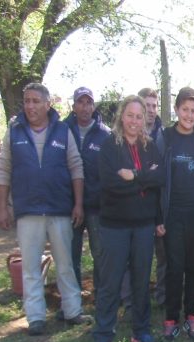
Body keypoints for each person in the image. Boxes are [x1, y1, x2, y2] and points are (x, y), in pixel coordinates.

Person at [0, 82, 89, 335]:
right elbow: (3, 169)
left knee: (66, 263)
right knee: (31, 267)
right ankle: (35, 317)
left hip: (59, 208)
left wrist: (78, 203)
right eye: (27, 101)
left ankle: (72, 311)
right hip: (28, 210)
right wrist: (2, 207)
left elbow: (76, 167)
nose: (31, 106)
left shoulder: (62, 131)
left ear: (48, 104)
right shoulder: (14, 131)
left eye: (36, 101)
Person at [93, 95, 165, 342]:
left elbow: (159, 177)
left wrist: (135, 176)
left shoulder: (149, 147)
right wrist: (143, 183)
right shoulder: (109, 146)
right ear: (122, 116)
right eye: (130, 115)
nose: (135, 121)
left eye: (139, 116)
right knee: (111, 282)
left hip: (144, 225)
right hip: (115, 226)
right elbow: (111, 183)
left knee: (141, 279)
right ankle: (103, 335)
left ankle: (141, 329)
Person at [158, 87, 194, 340]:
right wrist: (158, 218)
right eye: (185, 110)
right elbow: (158, 179)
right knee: (174, 267)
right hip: (172, 214)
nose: (189, 115)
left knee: (193, 267)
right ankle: (171, 318)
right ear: (177, 109)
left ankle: (191, 316)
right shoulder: (165, 137)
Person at [119, 88, 166, 308]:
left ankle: (157, 297)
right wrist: (146, 175)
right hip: (129, 209)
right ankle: (130, 301)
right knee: (131, 258)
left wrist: (139, 176)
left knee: (156, 257)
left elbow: (159, 176)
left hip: (156, 207)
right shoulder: (121, 141)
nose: (150, 110)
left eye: (154, 106)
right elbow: (121, 177)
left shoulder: (162, 135)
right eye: (146, 106)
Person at [65, 87, 111, 292]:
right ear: (73, 106)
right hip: (67, 204)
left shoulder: (105, 134)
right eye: (80, 102)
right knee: (70, 253)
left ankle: (102, 295)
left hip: (96, 205)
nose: (84, 107)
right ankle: (73, 298)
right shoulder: (62, 130)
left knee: (100, 253)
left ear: (94, 106)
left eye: (88, 103)